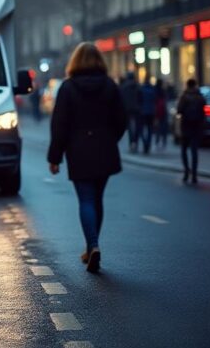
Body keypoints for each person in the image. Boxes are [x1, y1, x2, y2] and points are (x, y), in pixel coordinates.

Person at [48, 42, 127, 274]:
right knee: (98, 199)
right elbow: (121, 119)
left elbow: (59, 125)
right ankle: (92, 246)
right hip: (105, 148)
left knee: (85, 200)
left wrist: (55, 156)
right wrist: (111, 138)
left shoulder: (68, 87)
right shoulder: (110, 86)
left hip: (78, 149)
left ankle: (92, 245)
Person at [176, 78, 207, 184]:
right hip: (197, 126)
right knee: (194, 151)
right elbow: (204, 109)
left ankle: (186, 171)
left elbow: (179, 110)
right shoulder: (200, 96)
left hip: (186, 125)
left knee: (184, 149)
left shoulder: (184, 96)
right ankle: (194, 174)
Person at [118, 72, 141, 152]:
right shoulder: (137, 86)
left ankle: (131, 142)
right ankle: (135, 142)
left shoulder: (123, 87)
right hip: (137, 109)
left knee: (130, 128)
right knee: (137, 127)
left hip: (127, 109)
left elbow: (121, 99)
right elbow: (140, 98)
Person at [139, 77, 157, 154]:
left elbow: (139, 100)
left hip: (143, 111)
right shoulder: (152, 90)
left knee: (142, 129)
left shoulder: (141, 90)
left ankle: (145, 143)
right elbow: (155, 100)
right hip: (151, 112)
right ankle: (148, 144)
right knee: (149, 129)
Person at [153, 79, 169, 150]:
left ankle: (157, 141)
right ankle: (163, 141)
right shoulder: (163, 91)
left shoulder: (154, 90)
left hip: (156, 111)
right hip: (163, 111)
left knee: (157, 127)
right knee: (163, 127)